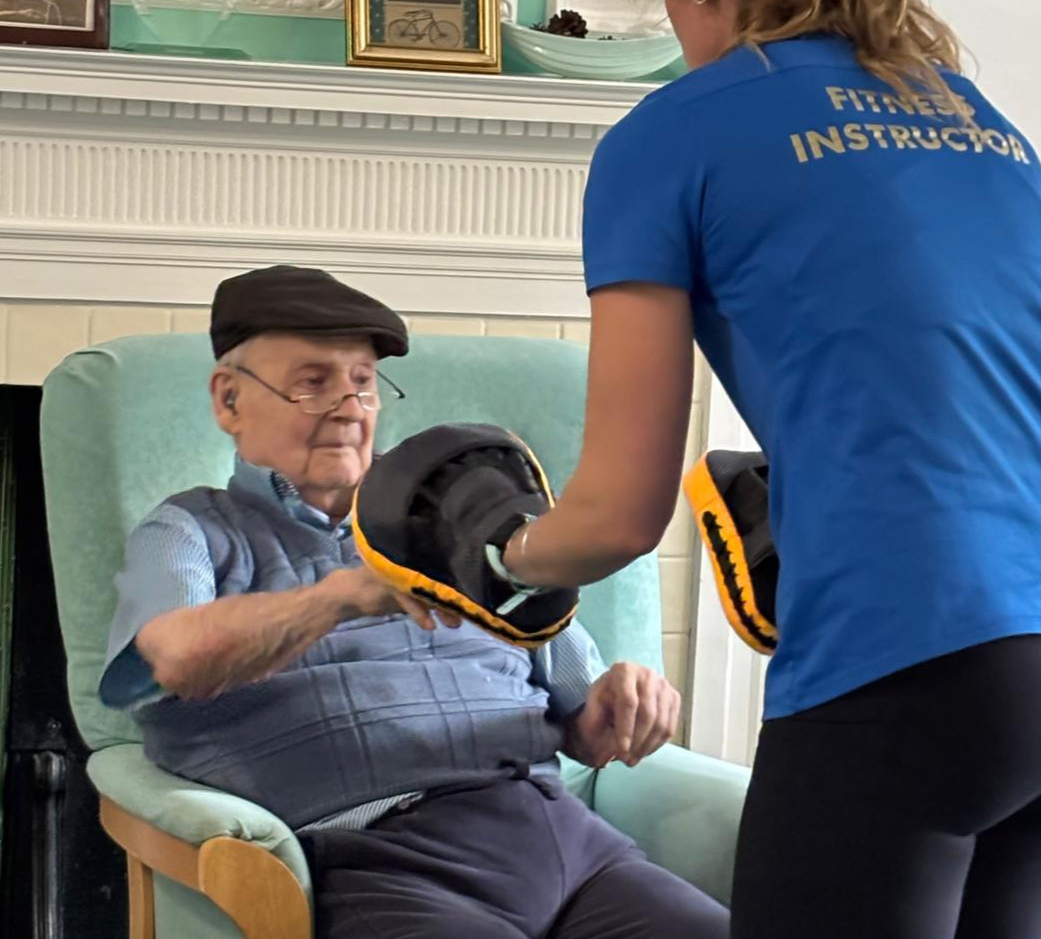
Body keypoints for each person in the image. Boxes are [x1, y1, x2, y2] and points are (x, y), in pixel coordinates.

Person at [489, 0, 1041, 939]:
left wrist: (496, 554)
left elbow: (620, 512)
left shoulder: (671, 134)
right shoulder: (980, 123)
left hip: (919, 662)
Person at [99, 264, 728, 939]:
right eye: (312, 383)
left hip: (562, 840)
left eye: (363, 383)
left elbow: (585, 728)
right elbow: (172, 656)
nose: (350, 408)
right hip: (384, 858)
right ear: (229, 400)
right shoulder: (189, 529)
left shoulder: (462, 518)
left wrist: (621, 703)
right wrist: (340, 597)